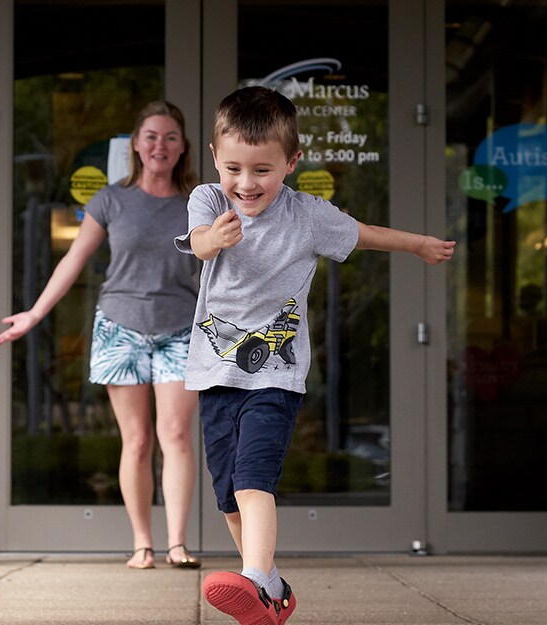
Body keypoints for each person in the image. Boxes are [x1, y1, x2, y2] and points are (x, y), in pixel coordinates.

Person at [176, 86, 454, 625]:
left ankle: (255, 580)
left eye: (263, 169)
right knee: (229, 497)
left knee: (254, 478)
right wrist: (215, 239)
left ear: (292, 162)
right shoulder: (210, 200)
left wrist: (418, 244)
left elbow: (366, 236)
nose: (246, 183)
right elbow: (199, 243)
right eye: (234, 168)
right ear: (214, 157)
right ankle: (271, 585)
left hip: (275, 376)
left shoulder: (308, 215)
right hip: (214, 373)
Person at [0, 101, 204, 571]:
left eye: (170, 136)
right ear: (135, 143)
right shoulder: (111, 199)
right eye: (151, 135)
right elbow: (73, 260)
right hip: (119, 326)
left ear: (183, 146)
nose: (160, 145)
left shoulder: (199, 202)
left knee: (177, 435)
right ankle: (142, 544)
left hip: (181, 327)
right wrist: (35, 313)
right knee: (136, 440)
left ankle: (176, 544)